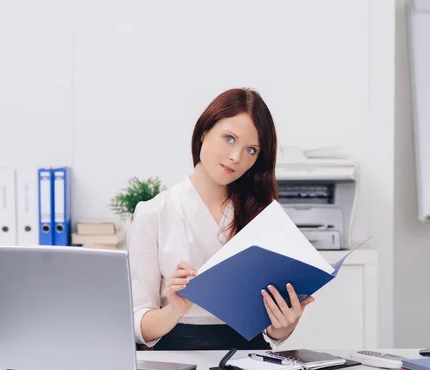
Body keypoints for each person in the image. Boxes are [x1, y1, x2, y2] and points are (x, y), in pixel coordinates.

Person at [127, 88, 314, 351]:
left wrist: (283, 324)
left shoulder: (261, 215)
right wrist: (174, 310)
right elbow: (137, 323)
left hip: (249, 355)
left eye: (251, 149)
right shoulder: (154, 213)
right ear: (204, 131)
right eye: (229, 138)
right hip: (178, 352)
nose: (236, 157)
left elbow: (272, 332)